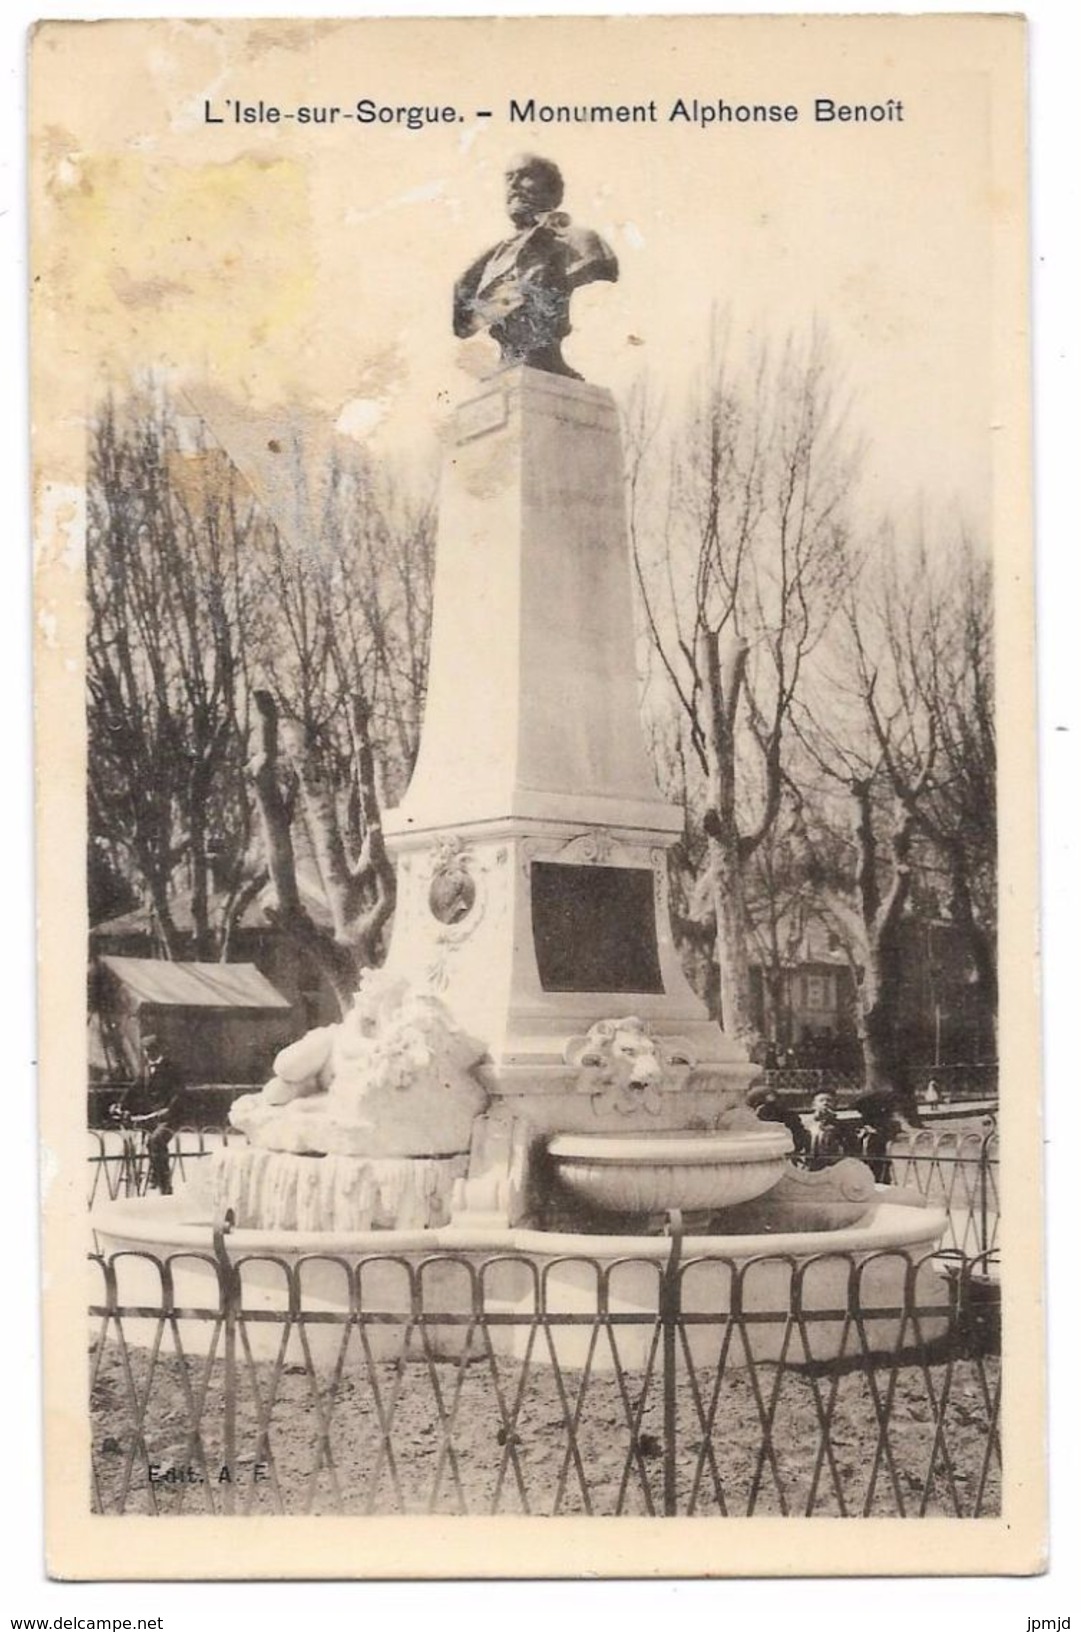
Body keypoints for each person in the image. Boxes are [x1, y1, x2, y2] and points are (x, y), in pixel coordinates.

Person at [453, 154, 619, 377]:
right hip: (505, 369)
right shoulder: (483, 263)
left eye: (525, 176)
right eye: (509, 178)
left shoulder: (579, 242)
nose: (513, 185)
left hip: (546, 365)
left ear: (551, 189)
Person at [125, 1035, 189, 1196]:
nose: (148, 1054)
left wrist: (169, 1110)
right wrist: (120, 1104)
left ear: (160, 1050)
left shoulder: (172, 1068)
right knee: (145, 1142)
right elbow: (134, 1089)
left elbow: (179, 1093)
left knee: (157, 1140)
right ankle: (155, 1173)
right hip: (152, 1116)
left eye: (152, 1050)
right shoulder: (146, 1069)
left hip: (171, 1117)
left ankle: (165, 1185)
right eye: (146, 1050)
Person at [746, 1083, 810, 1163]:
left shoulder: (789, 1117)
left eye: (773, 1105)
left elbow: (800, 1134)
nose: (770, 1110)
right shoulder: (749, 1123)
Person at [806, 1090, 848, 1170]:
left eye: (829, 1101)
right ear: (813, 1105)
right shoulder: (806, 1124)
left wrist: (833, 1122)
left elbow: (846, 1146)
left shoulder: (841, 1126)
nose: (825, 1103)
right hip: (809, 1166)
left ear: (835, 1105)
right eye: (821, 1100)